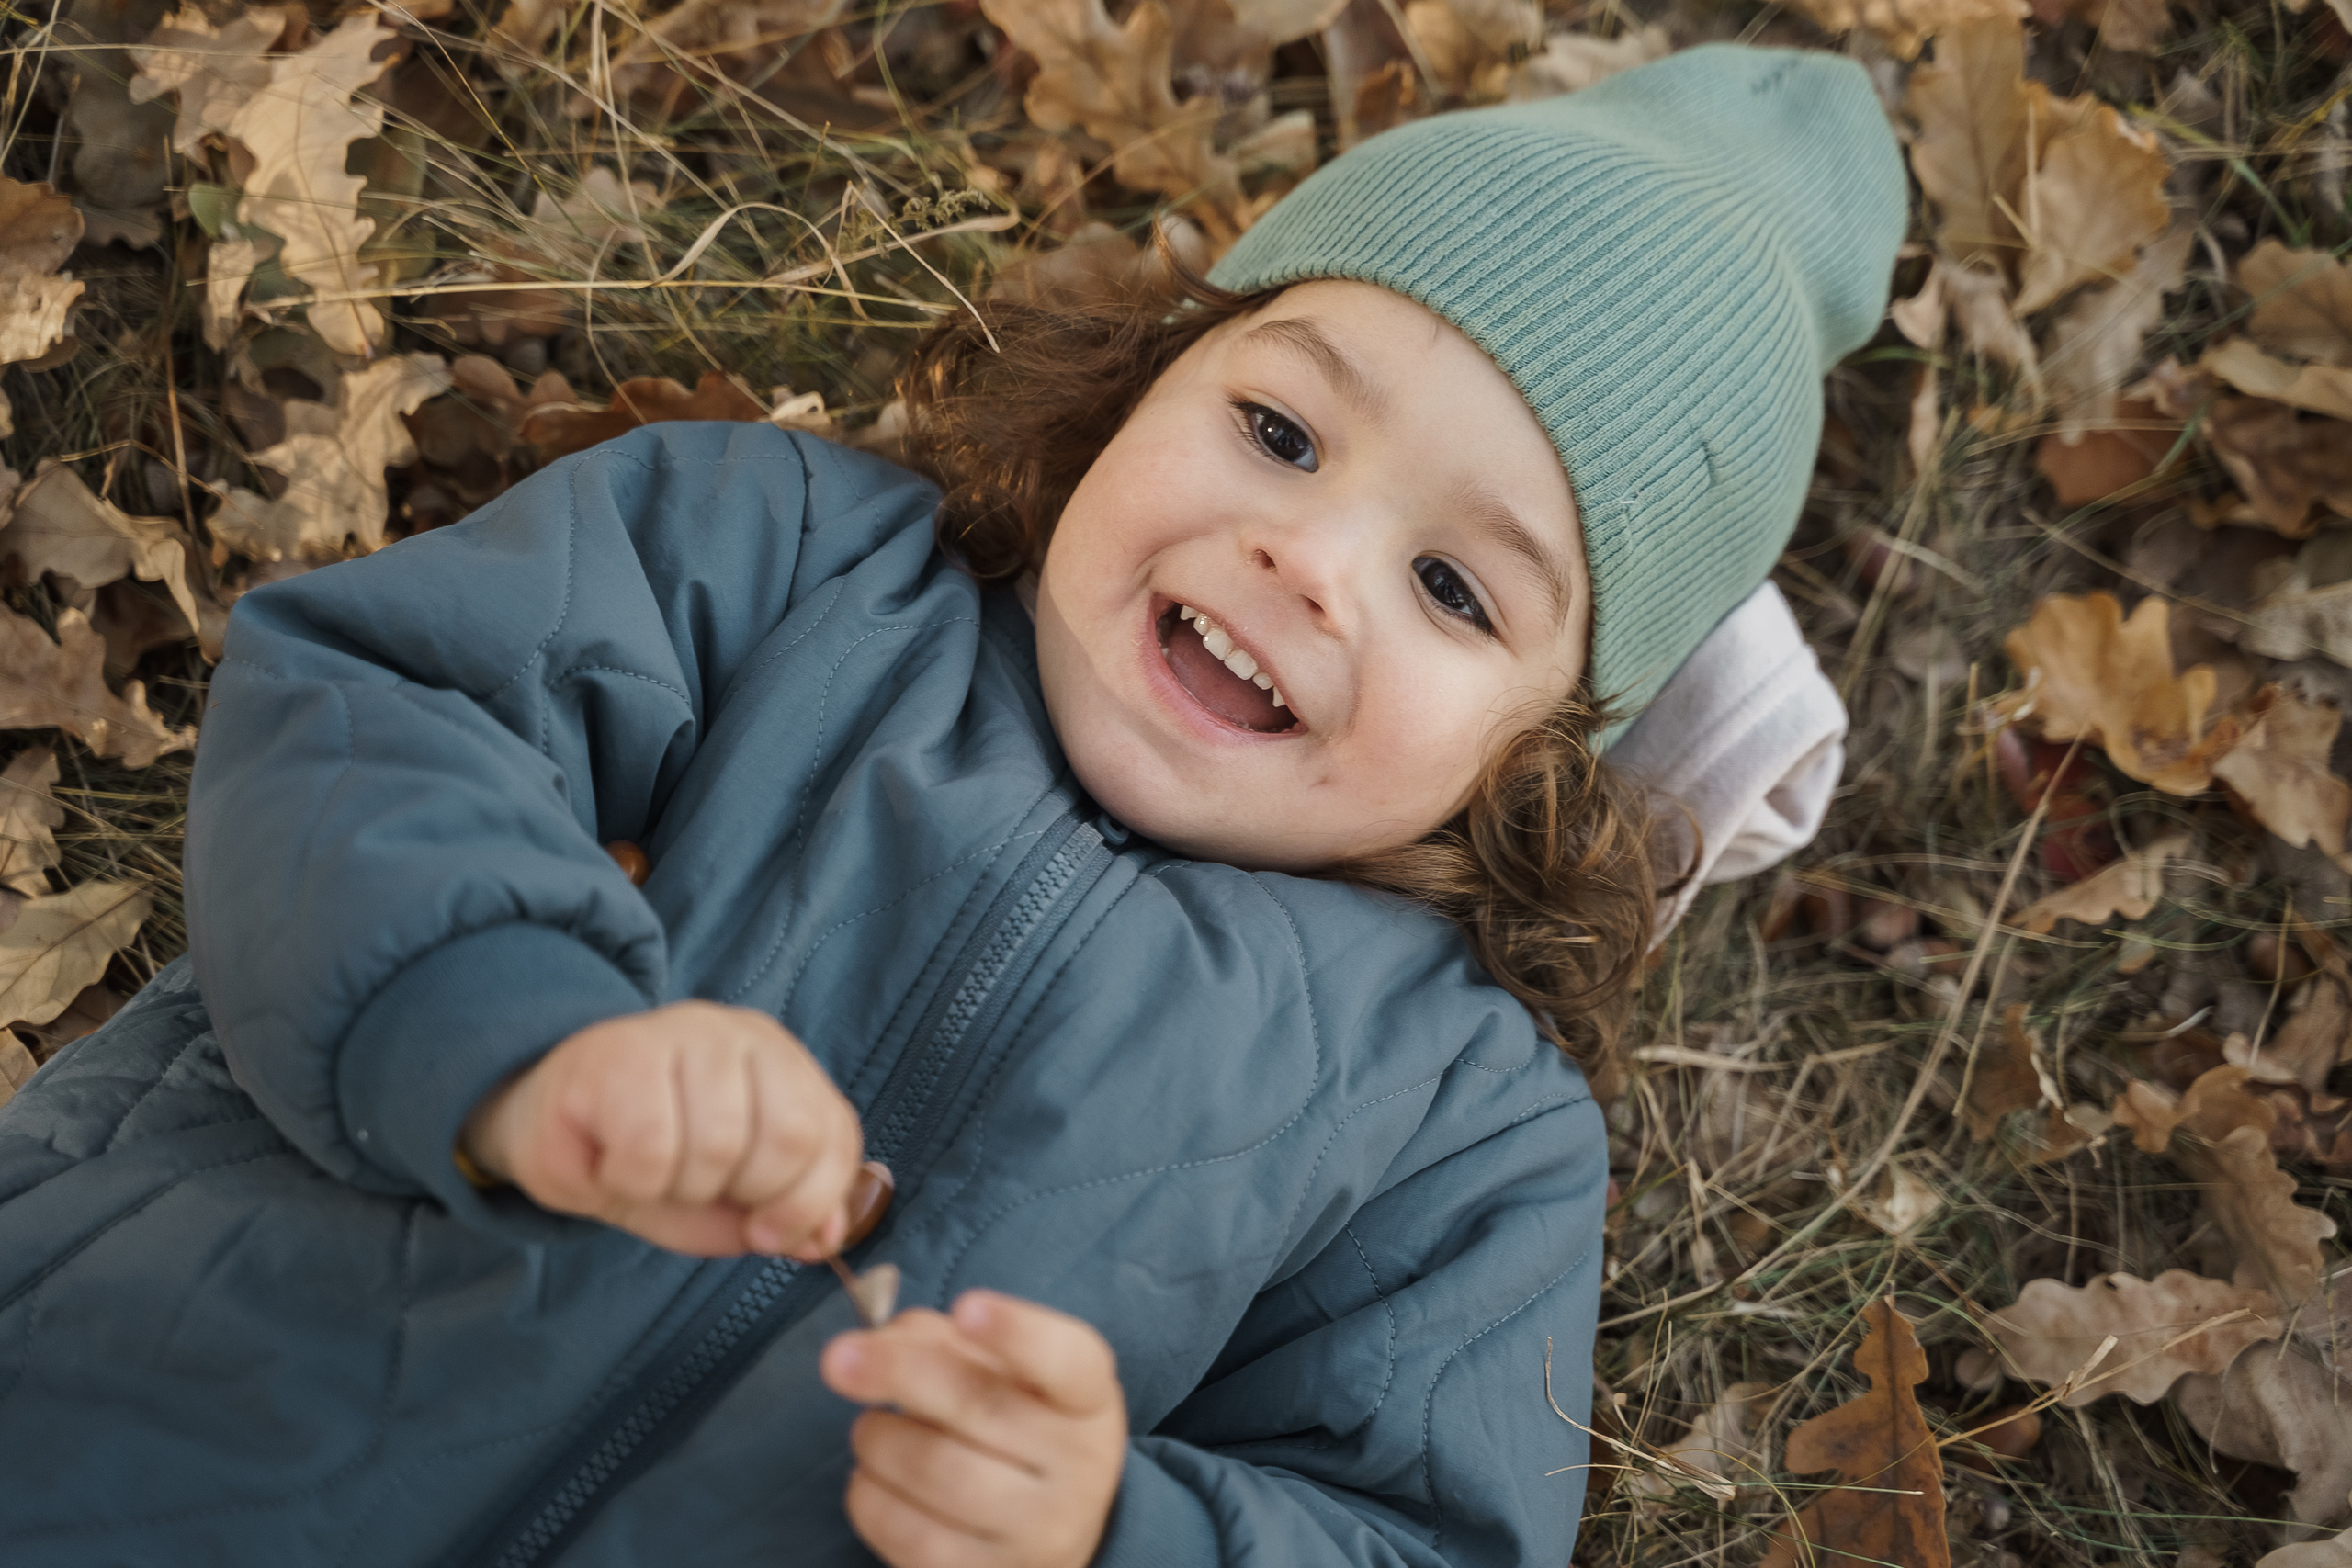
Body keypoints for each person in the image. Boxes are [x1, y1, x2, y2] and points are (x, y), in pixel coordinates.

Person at [0, 43, 1902, 1568]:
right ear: (1148, 377)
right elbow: (384, 711)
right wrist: (515, 1037)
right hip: (140, 1421)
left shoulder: (1462, 1124)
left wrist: (1104, 1529)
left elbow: (1414, 1525)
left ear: (1543, 755)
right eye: (1277, 429)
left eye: (1452, 588)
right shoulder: (772, 557)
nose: (1308, 560)